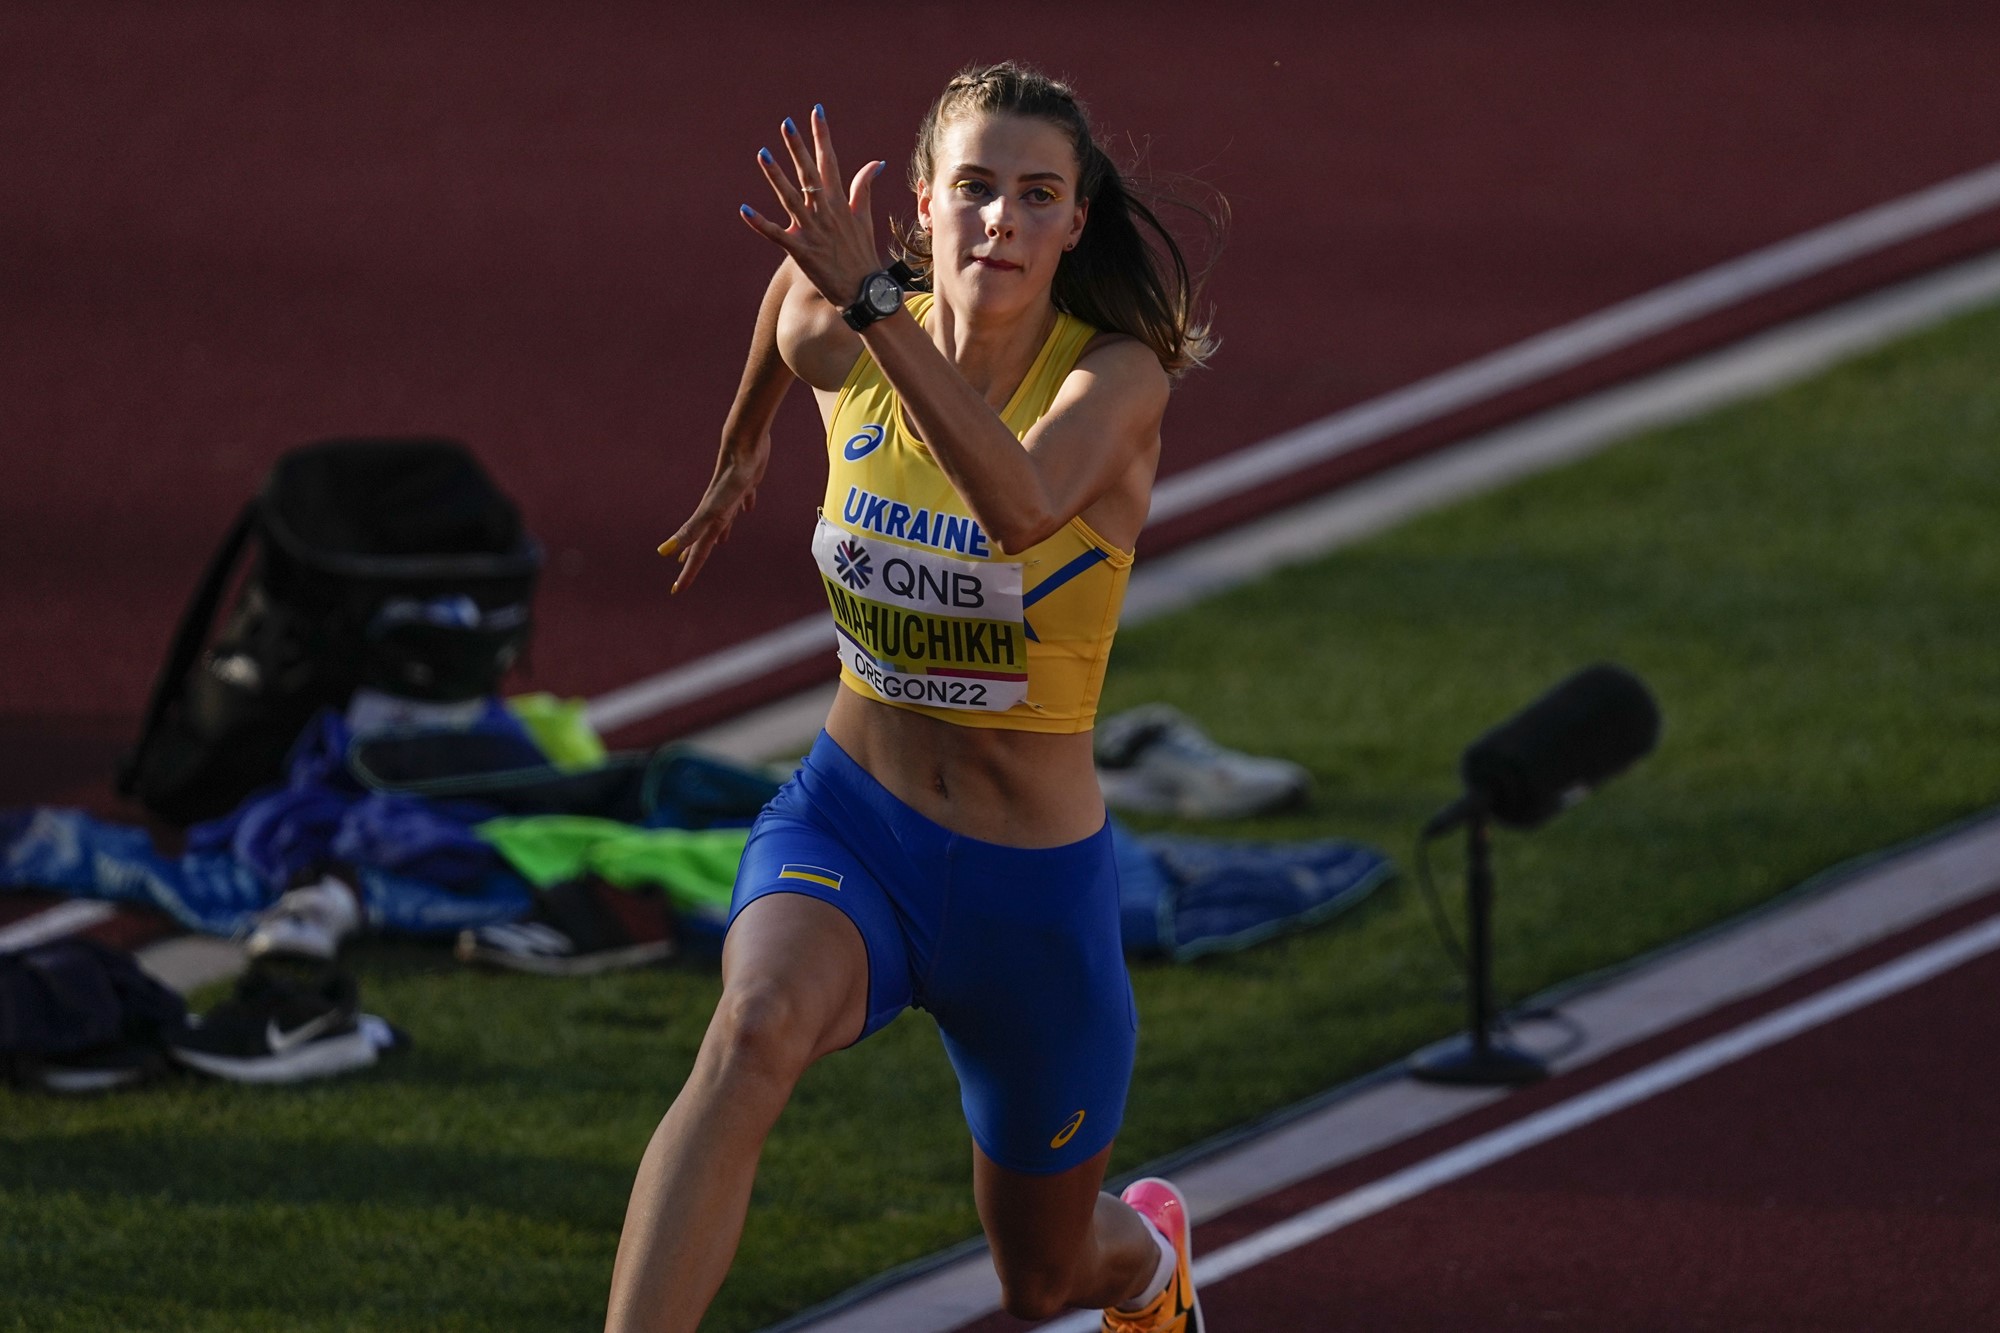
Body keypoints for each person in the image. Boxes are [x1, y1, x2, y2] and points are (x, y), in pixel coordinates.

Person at [607, 62, 1219, 1333]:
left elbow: (1019, 505)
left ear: (1075, 224)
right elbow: (790, 305)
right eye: (975, 187)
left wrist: (878, 303)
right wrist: (743, 449)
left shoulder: (1110, 384)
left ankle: (1150, 1265)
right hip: (853, 828)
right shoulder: (848, 327)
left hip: (1028, 894)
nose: (1000, 219)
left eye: (1034, 195)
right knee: (751, 1032)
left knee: (1040, 1281)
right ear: (926, 201)